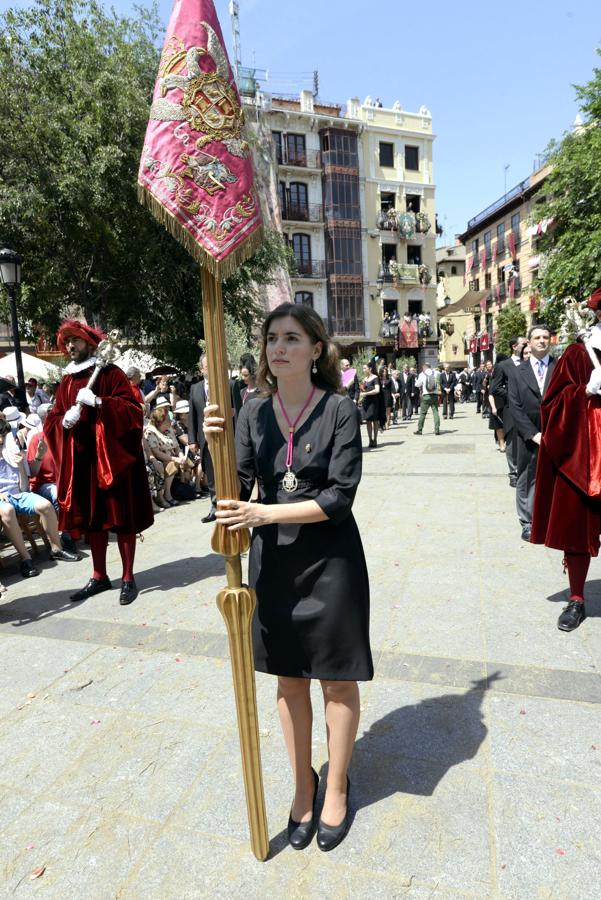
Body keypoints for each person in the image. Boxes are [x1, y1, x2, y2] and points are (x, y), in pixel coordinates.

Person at [204, 301, 373, 852]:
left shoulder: (341, 410)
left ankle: (337, 786)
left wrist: (264, 513)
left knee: (337, 679)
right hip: (273, 564)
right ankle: (304, 785)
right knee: (289, 679)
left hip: (331, 563)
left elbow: (338, 498)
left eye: (293, 338)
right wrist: (216, 446)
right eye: (272, 338)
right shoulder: (252, 412)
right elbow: (238, 487)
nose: (279, 347)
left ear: (316, 349)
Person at [44, 320, 154, 605]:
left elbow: (133, 412)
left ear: (89, 344)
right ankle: (99, 575)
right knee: (94, 522)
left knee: (122, 519)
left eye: (75, 341)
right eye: (66, 342)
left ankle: (128, 576)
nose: (70, 347)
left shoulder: (110, 373)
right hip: (83, 462)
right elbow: (53, 419)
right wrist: (61, 421)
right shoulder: (67, 381)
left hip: (112, 462)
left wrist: (101, 403)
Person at [531, 289, 601, 631]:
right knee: (577, 531)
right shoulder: (577, 354)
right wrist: (585, 391)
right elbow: (552, 404)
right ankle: (577, 598)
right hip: (585, 456)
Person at [0, 410, 81, 578]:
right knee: (7, 510)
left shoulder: (11, 449)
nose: (1, 439)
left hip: (19, 493)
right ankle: (26, 559)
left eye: (2, 434)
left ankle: (56, 549)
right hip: (2, 499)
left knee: (45, 505)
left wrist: (28, 462)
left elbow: (26, 483)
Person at [508, 324, 555, 542]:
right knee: (527, 478)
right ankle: (527, 522)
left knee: (555, 478)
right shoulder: (518, 372)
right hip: (528, 436)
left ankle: (551, 520)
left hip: (556, 433)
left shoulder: (561, 367)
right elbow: (514, 406)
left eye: (546, 337)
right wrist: (533, 434)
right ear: (529, 341)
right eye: (537, 337)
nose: (542, 340)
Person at [490, 336, 527, 486]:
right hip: (511, 409)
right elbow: (495, 388)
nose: (527, 345)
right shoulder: (503, 366)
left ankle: (527, 471)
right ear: (514, 346)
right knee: (512, 442)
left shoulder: (529, 363)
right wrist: (513, 396)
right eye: (524, 343)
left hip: (529, 409)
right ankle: (513, 473)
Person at [188, 355, 217, 523]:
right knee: (210, 474)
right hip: (204, 439)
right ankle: (215, 507)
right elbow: (193, 415)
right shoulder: (195, 388)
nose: (210, 369)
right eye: (206, 366)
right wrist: (192, 439)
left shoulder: (229, 385)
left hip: (226, 437)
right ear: (201, 369)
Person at [486, 355, 507, 451]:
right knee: (499, 427)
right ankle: (502, 444)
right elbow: (490, 394)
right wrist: (493, 407)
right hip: (497, 405)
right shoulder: (494, 380)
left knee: (506, 426)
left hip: (506, 405)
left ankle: (505, 443)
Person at [414, 363, 441, 435]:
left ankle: (419, 430)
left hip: (426, 396)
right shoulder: (436, 373)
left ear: (424, 367)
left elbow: (417, 385)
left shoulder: (422, 374)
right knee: (435, 412)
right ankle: (437, 430)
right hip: (435, 395)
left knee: (423, 413)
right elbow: (439, 382)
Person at [359, 361, 381, 448]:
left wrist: (365, 394)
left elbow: (377, 390)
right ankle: (370, 440)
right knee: (368, 421)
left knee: (375, 421)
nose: (363, 370)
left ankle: (375, 439)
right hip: (366, 403)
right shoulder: (364, 379)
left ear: (370, 369)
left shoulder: (375, 378)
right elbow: (363, 390)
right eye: (363, 368)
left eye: (365, 368)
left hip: (374, 402)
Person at [379, 364, 394, 430]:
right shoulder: (379, 379)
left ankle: (387, 423)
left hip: (388, 396)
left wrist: (393, 396)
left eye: (385, 372)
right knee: (382, 411)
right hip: (381, 396)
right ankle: (382, 424)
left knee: (388, 411)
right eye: (383, 372)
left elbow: (392, 389)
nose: (384, 373)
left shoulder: (389, 380)